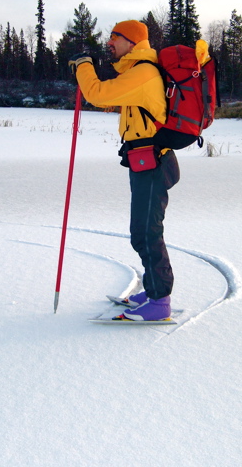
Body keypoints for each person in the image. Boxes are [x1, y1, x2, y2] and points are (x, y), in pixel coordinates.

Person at [69, 20, 180, 321]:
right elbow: (114, 100)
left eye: (114, 37)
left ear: (131, 41)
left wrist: (83, 66)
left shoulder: (143, 72)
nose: (109, 43)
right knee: (142, 232)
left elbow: (98, 94)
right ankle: (154, 289)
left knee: (146, 233)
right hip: (144, 161)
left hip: (153, 163)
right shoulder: (137, 71)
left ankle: (160, 303)